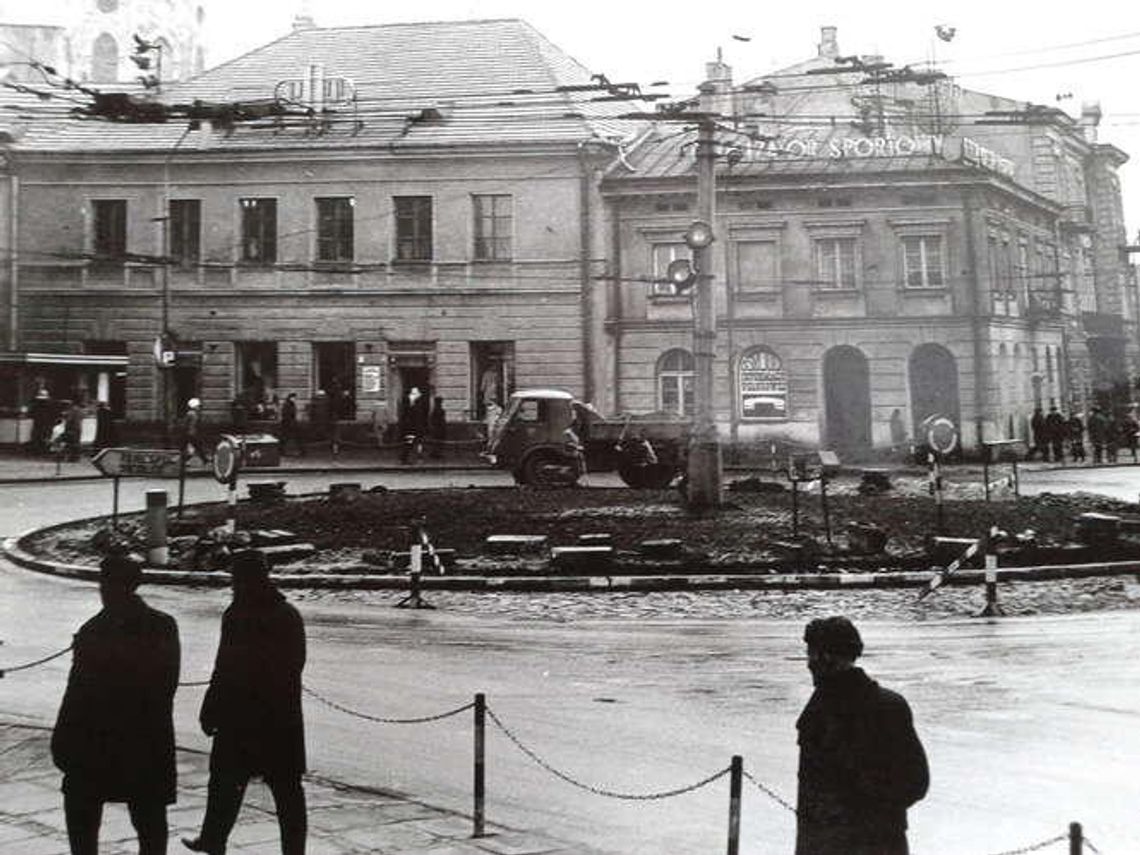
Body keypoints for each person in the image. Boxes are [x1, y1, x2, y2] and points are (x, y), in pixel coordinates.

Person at [52, 552, 180, 855]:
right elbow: (166, 686)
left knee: (83, 815)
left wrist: (63, 740)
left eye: (105, 583)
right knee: (149, 820)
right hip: (146, 740)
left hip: (97, 742)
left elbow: (76, 694)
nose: (102, 590)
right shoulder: (162, 626)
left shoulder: (93, 631)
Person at [182, 549, 307, 855]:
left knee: (225, 785)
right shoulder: (286, 614)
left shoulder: (237, 615)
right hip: (279, 719)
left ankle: (213, 840)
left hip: (240, 718)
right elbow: (296, 664)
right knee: (287, 791)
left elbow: (223, 667)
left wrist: (210, 709)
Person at [796, 616, 929, 855]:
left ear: (825, 658)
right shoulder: (890, 704)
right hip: (883, 840)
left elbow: (814, 795)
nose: (808, 663)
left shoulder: (820, 711)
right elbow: (916, 782)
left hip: (836, 844)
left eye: (811, 654)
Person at [181, 398, 209, 466]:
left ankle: (184, 461)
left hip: (190, 433)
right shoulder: (192, 414)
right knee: (197, 447)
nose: (199, 407)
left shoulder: (191, 414)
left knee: (193, 447)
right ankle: (204, 459)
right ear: (194, 406)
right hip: (191, 434)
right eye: (198, 406)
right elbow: (187, 424)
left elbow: (185, 424)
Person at [278, 392, 304, 457]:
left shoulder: (291, 404)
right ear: (290, 398)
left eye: (295, 398)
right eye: (294, 398)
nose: (295, 399)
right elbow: (286, 415)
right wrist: (291, 422)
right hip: (288, 424)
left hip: (290, 423)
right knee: (286, 438)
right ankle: (282, 451)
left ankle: (300, 450)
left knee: (289, 438)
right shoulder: (287, 404)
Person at [428, 395, 447, 459]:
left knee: (438, 441)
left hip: (439, 427)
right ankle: (435, 453)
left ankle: (437, 453)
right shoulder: (437, 410)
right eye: (440, 401)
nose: (440, 403)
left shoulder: (439, 410)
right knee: (437, 441)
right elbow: (433, 419)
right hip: (437, 428)